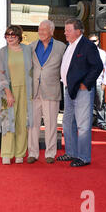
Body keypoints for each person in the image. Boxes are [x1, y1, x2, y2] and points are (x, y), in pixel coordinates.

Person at [58, 18, 102, 167]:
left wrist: (85, 84)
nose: (65, 33)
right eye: (65, 30)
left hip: (82, 91)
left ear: (78, 31)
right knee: (68, 122)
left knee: (83, 125)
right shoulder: (69, 46)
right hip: (69, 89)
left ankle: (83, 157)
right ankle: (71, 152)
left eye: (68, 30)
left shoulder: (87, 46)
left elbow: (97, 66)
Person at [27, 20, 66, 164]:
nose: (41, 32)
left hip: (51, 89)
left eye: (44, 30)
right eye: (39, 29)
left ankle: (50, 153)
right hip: (34, 90)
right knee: (33, 124)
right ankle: (32, 153)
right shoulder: (31, 46)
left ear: (51, 31)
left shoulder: (61, 47)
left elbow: (66, 67)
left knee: (51, 124)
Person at [0, 25, 33, 165]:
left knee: (22, 122)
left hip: (26, 90)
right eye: (7, 35)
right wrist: (8, 93)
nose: (10, 37)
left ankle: (20, 153)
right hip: (9, 91)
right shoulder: (3, 52)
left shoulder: (27, 50)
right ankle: (6, 153)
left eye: (13, 35)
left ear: (19, 37)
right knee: (7, 121)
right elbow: (1, 73)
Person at [88, 34, 106, 130]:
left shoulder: (103, 53)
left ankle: (101, 122)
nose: (93, 43)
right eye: (91, 41)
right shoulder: (84, 52)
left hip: (99, 82)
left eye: (94, 41)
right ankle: (87, 122)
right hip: (87, 83)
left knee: (100, 103)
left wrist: (104, 83)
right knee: (87, 104)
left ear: (98, 41)